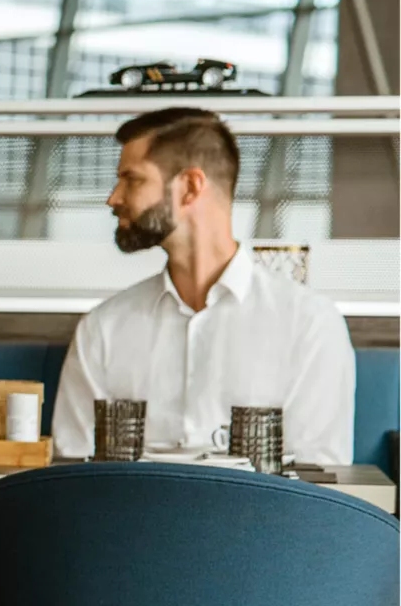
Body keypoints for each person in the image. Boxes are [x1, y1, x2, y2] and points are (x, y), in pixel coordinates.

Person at [52, 108, 353, 464]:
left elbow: (319, 479)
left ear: (191, 187)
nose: (114, 197)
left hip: (258, 519)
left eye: (132, 179)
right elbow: (71, 467)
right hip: (128, 518)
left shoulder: (309, 323)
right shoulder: (104, 327)